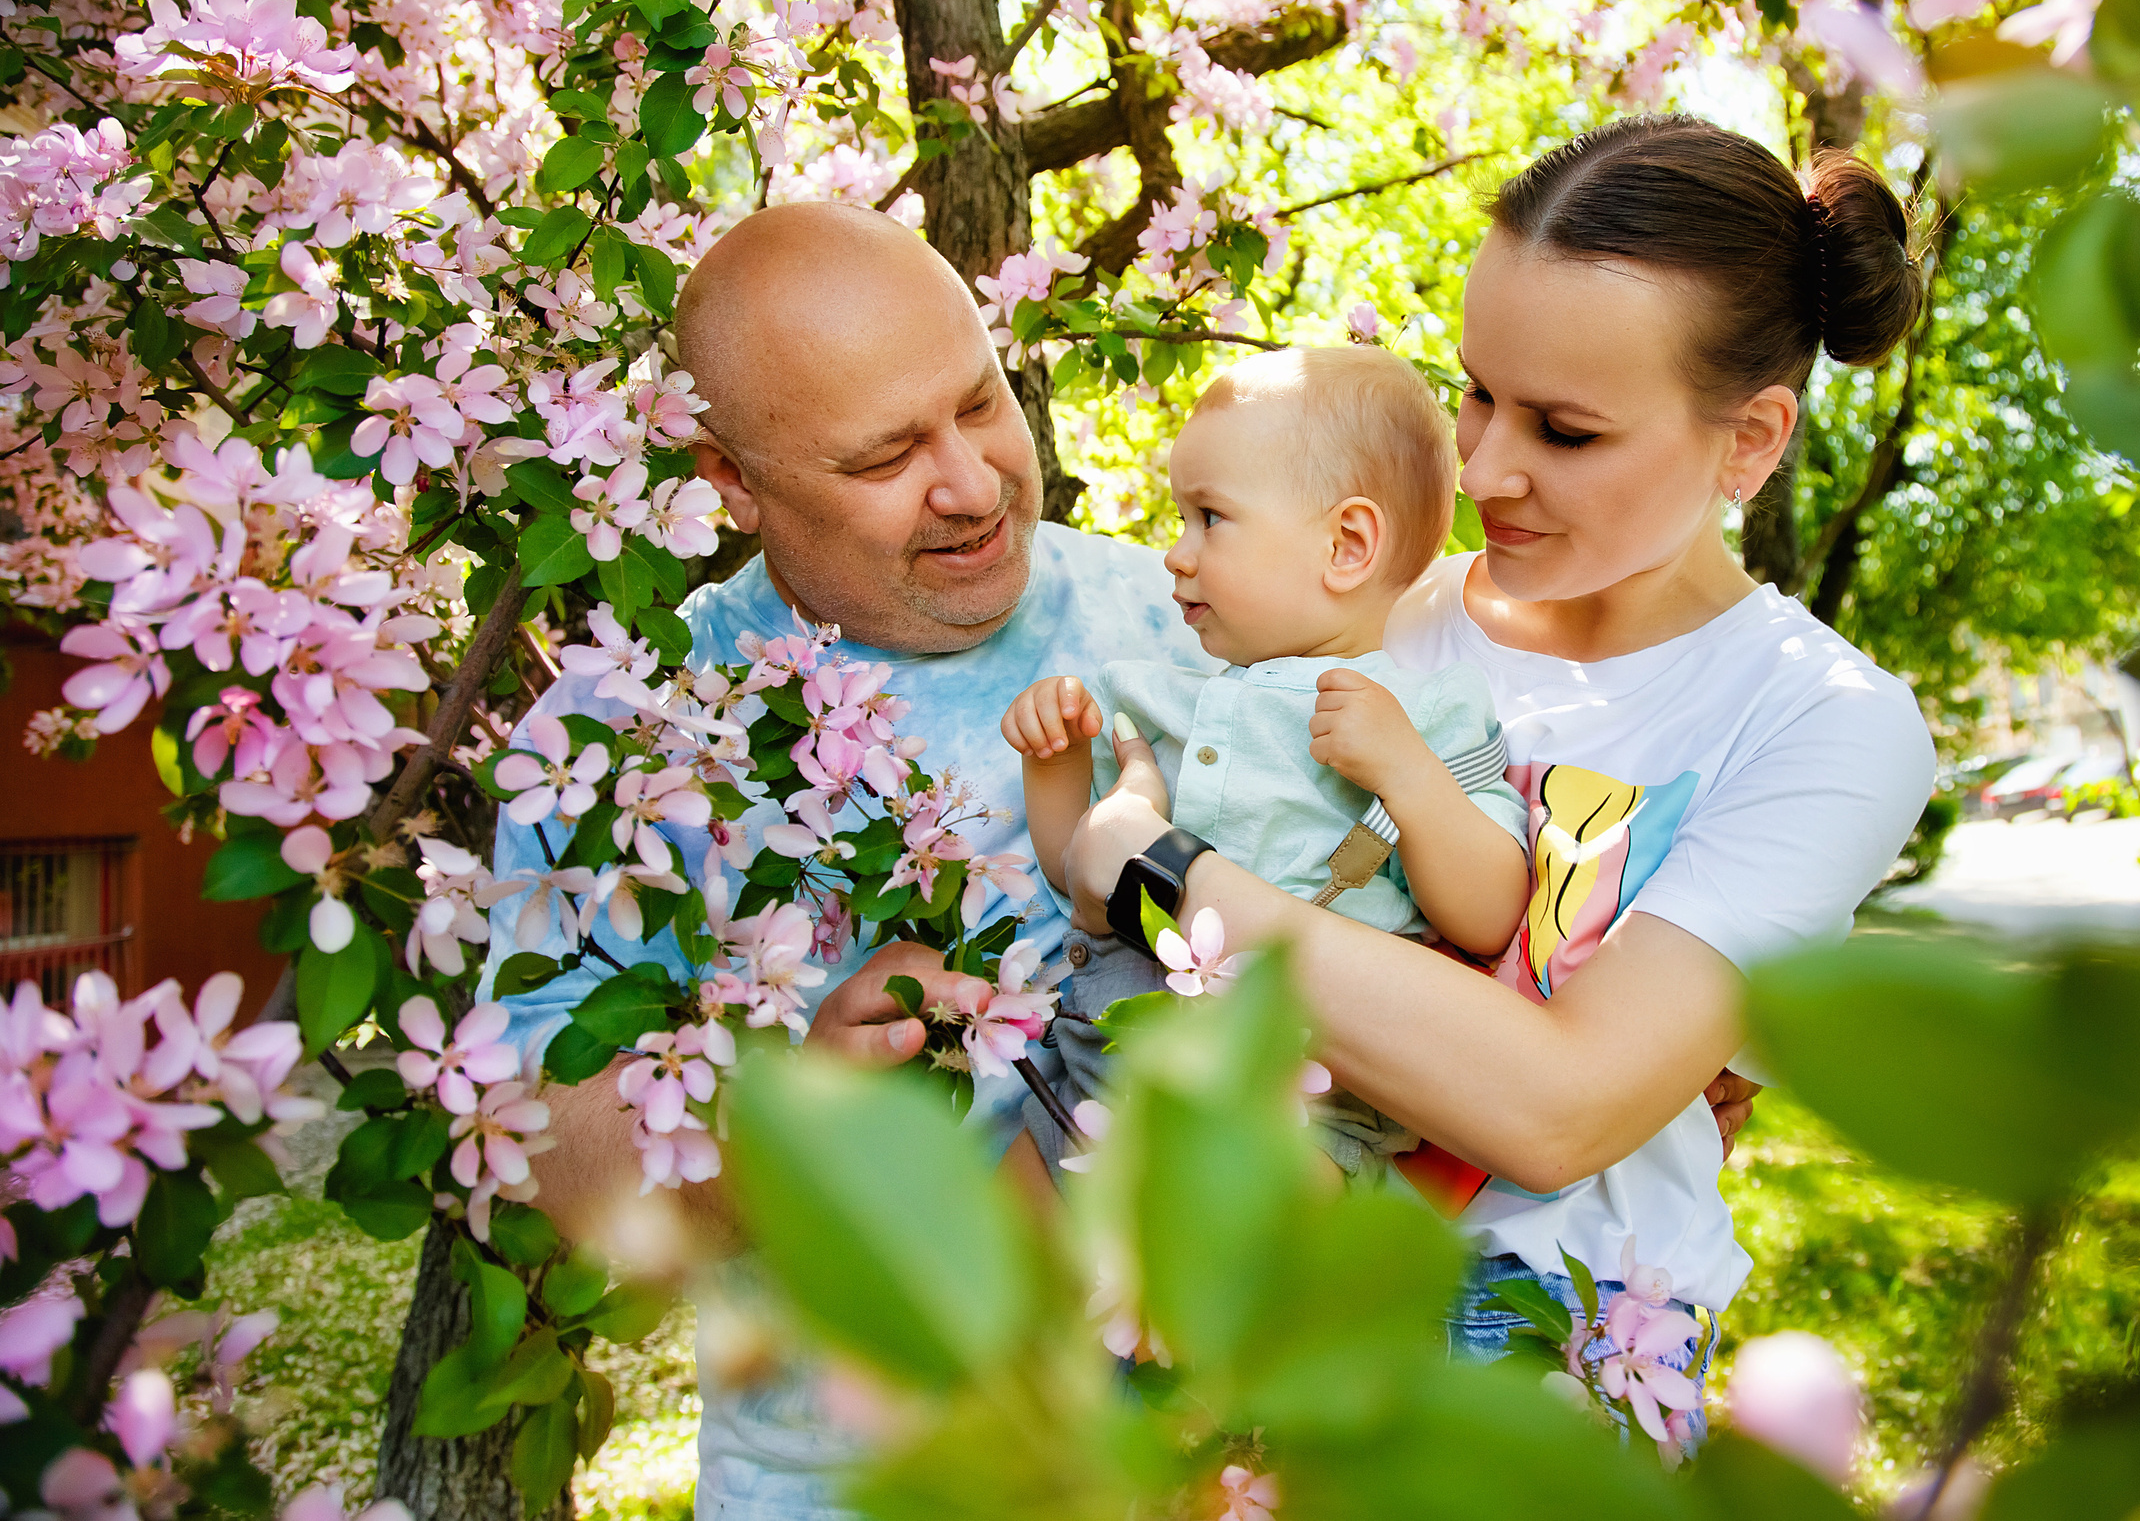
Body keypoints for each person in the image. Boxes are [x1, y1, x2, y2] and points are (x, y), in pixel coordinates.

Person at [1056, 118, 1938, 1447]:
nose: (1482, 469)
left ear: (1750, 439)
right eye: (1475, 390)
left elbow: (1556, 1103)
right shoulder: (1362, 616)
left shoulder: (1821, 723)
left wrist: (1157, 876)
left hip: (1532, 1347)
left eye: (1567, 430)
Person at [481, 203, 1222, 1521]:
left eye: (980, 402)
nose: (975, 483)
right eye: (886, 454)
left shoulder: (1199, 613)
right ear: (729, 477)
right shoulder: (629, 736)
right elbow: (553, 1167)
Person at [999, 347, 1530, 1184]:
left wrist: (1410, 774)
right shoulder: (1170, 702)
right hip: (1099, 1075)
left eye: (1209, 518)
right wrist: (1056, 763)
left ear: (1347, 545)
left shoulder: (1428, 714)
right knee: (986, 1285)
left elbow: (1491, 910)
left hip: (1296, 1119)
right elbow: (1091, 885)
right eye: (1180, 518)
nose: (1176, 552)